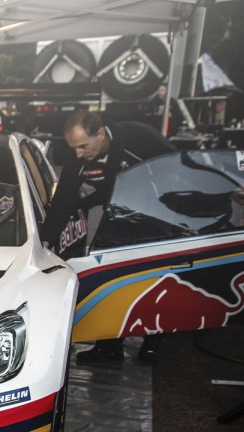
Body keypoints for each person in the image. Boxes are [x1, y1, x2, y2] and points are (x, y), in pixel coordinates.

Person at [41, 109, 176, 365]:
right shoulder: (77, 157)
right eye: (74, 148)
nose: (78, 153)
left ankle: (153, 340)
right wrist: (46, 240)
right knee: (112, 278)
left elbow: (182, 164)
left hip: (157, 216)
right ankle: (109, 347)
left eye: (83, 146)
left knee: (153, 280)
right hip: (117, 215)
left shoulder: (139, 136)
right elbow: (64, 200)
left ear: (101, 134)